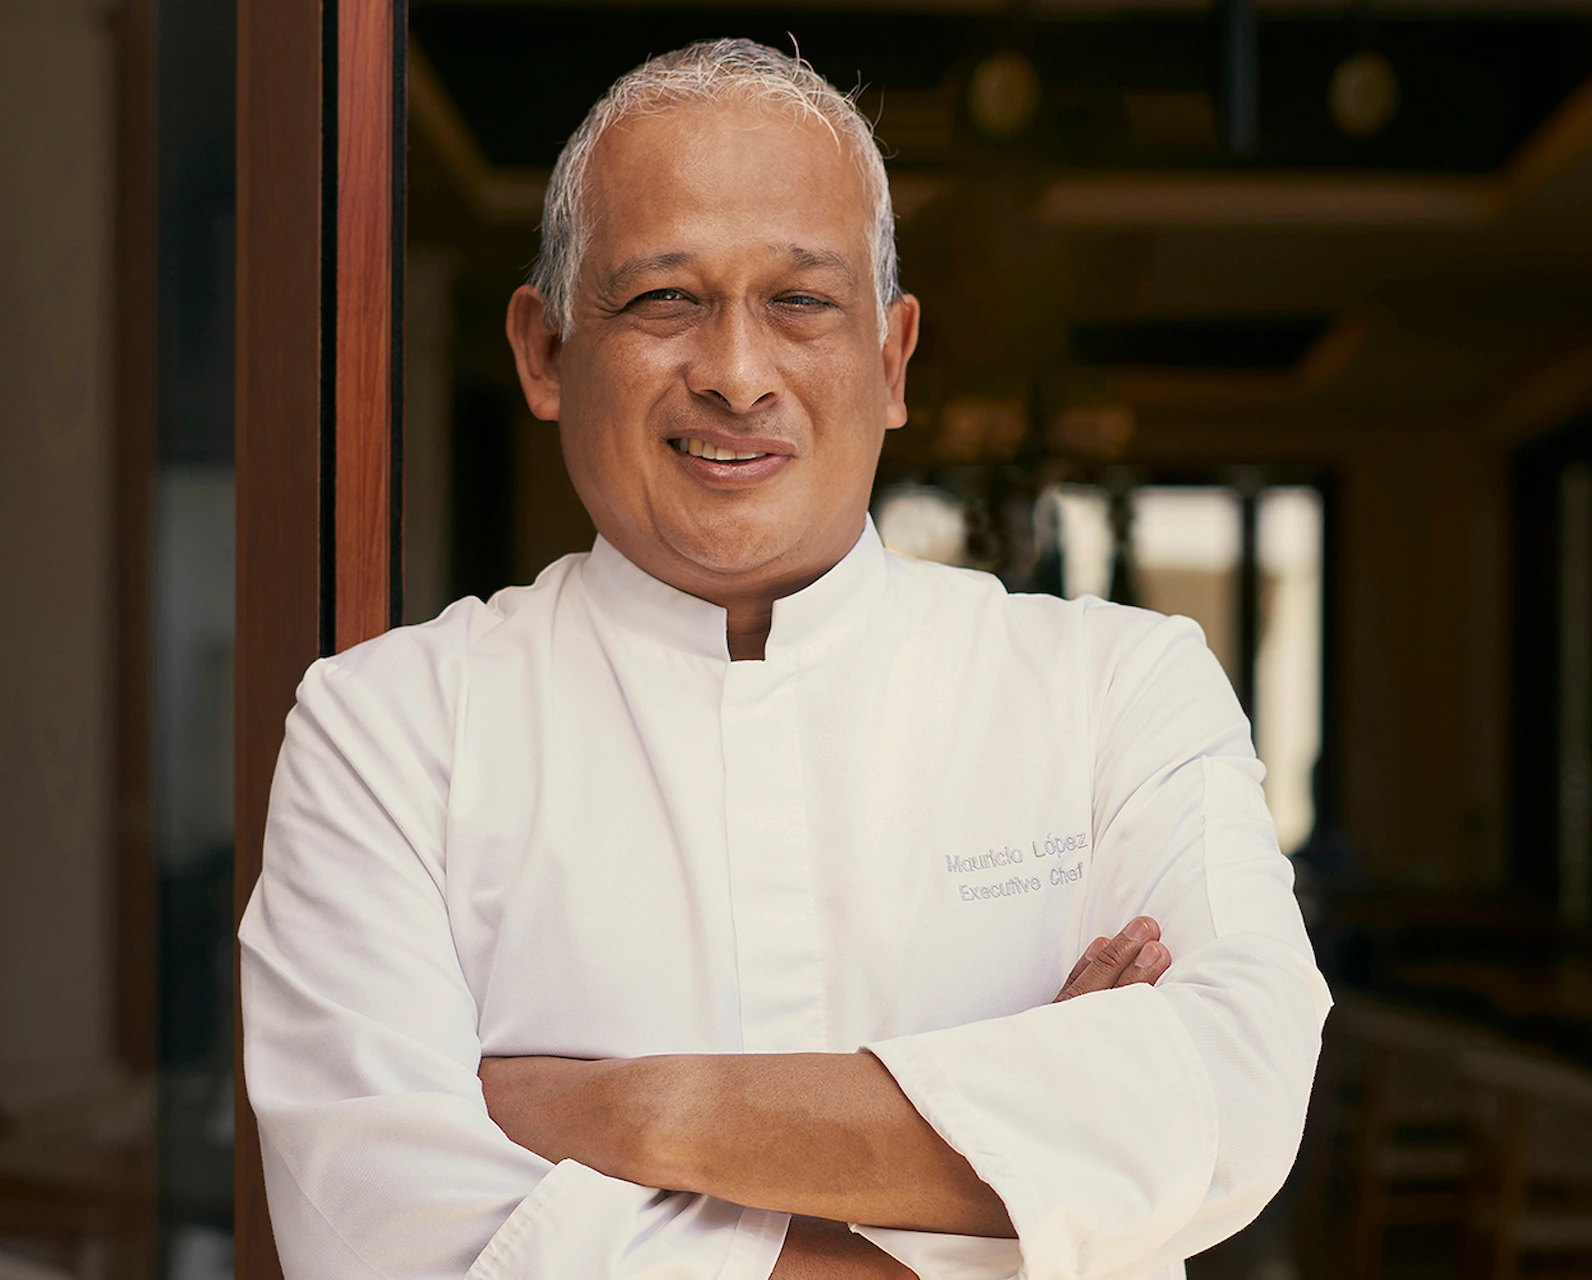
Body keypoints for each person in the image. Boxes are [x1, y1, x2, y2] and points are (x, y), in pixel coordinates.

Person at [239, 38, 1330, 1280]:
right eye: (664, 299)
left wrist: (639, 1115)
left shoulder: (1116, 689)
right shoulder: (387, 731)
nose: (737, 374)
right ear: (544, 353)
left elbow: (1230, 1100)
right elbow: (383, 1236)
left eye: (800, 301)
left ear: (890, 357)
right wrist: (1024, 1173)